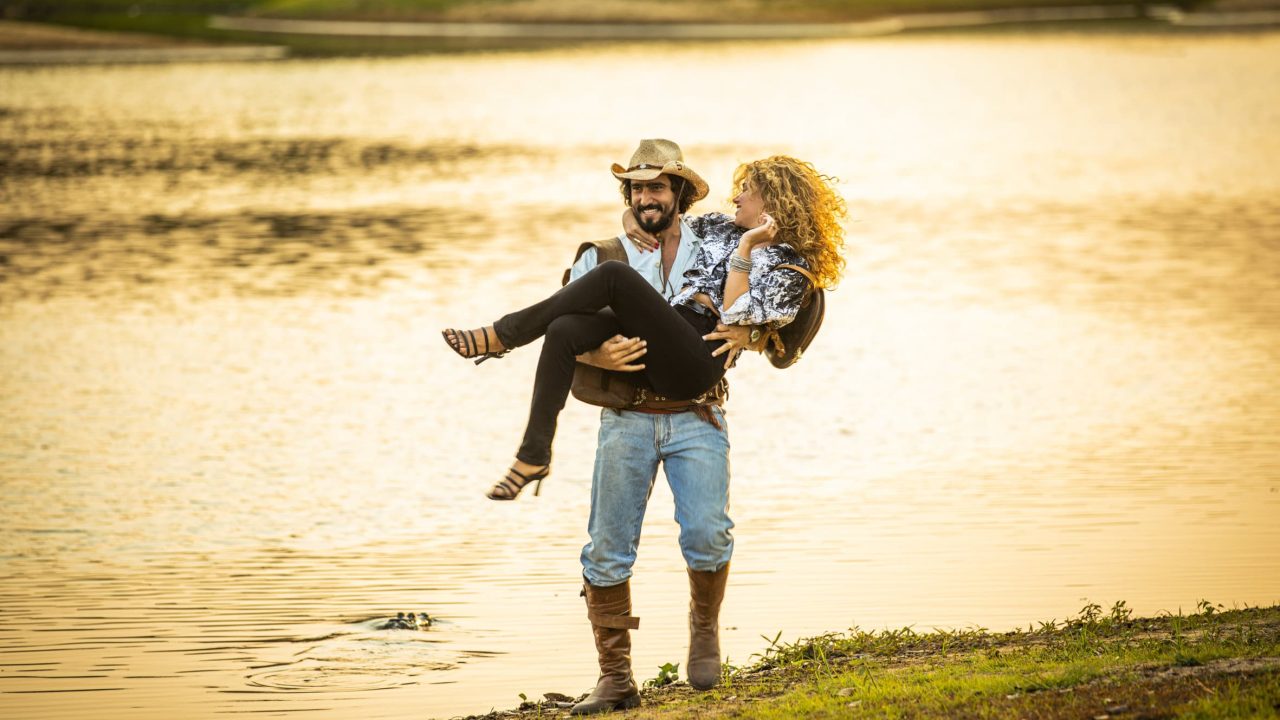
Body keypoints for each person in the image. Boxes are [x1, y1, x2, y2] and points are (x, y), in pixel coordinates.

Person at [442, 143, 846, 711]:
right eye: (634, 189)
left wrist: (752, 329)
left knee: (707, 534)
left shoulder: (730, 239)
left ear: (678, 195)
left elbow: (764, 327)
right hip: (626, 420)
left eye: (656, 188)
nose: (644, 198)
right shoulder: (614, 250)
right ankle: (614, 679)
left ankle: (501, 336)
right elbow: (572, 325)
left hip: (695, 407)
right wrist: (598, 358)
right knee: (604, 546)